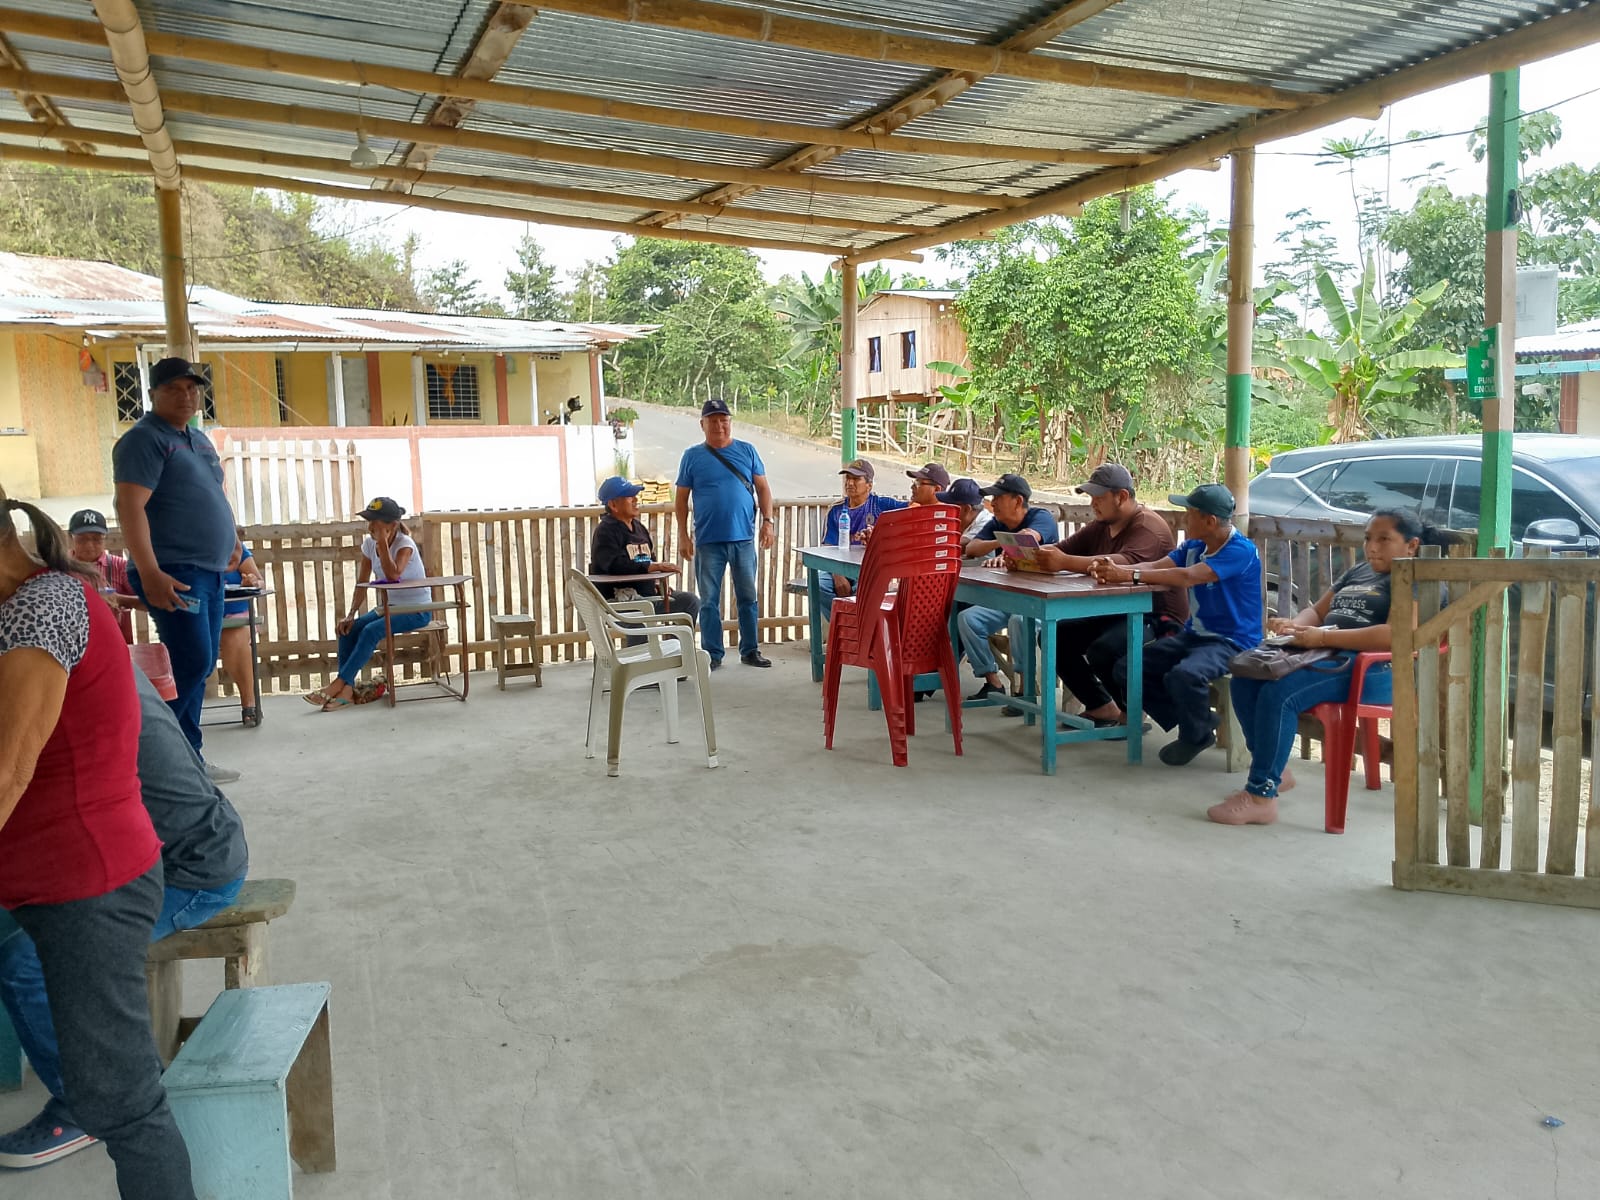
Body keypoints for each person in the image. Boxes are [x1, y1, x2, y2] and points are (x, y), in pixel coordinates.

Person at [0, 484, 197, 1199]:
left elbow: (8, 771)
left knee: (122, 1102)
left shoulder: (44, 608)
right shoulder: (25, 605)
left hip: (88, 884)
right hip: (48, 874)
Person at [0, 667, 248, 1170]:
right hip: (181, 850)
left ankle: (84, 1106)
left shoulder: (43, 678)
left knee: (25, 961)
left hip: (191, 872)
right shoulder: (81, 656)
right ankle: (117, 1074)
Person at [1213, 509, 1429, 826]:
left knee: (1280, 694)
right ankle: (1273, 769)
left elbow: (1393, 635)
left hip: (1374, 668)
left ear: (1411, 545)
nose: (1372, 547)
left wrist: (1323, 637)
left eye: (1384, 539)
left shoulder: (1413, 577)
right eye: (1369, 538)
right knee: (1246, 679)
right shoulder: (1359, 572)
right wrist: (1295, 627)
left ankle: (1261, 796)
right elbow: (1316, 611)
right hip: (1327, 655)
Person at [113, 355, 241, 778]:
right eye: (173, 389)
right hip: (174, 571)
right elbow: (129, 506)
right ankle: (148, 756)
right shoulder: (144, 440)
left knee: (200, 665)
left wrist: (235, 542)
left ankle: (188, 759)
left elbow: (215, 495)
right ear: (152, 394)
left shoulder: (198, 440)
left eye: (191, 388)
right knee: (190, 661)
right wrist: (149, 572)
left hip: (210, 571)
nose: (185, 396)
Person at [1091, 483, 1263, 765]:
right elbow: (1156, 567)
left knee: (1184, 676)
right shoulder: (1194, 546)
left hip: (1233, 641)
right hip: (1194, 635)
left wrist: (1129, 576)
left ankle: (1195, 733)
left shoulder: (1240, 551)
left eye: (1190, 513)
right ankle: (1197, 724)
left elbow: (1188, 577)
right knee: (1127, 668)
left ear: (1210, 521)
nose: (1184, 519)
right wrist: (1118, 571)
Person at [1027, 463, 1186, 726]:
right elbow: (1062, 549)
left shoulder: (1148, 527)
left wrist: (1063, 562)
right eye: (1091, 497)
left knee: (1104, 650)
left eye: (1099, 498)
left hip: (1158, 617)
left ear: (1121, 496)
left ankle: (1132, 712)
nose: (1093, 504)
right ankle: (1101, 706)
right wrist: (1025, 556)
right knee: (1054, 636)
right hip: (1117, 611)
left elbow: (1122, 566)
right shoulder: (1101, 524)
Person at [674, 398, 775, 670]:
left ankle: (750, 650)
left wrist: (768, 522)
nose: (719, 426)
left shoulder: (747, 450)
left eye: (723, 420)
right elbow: (681, 499)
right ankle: (712, 654)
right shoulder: (692, 456)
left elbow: (763, 489)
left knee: (748, 597)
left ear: (730, 422)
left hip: (743, 538)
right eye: (713, 421)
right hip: (708, 541)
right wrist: (683, 535)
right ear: (702, 424)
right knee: (708, 601)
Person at [308, 497, 430, 710]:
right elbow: (362, 583)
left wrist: (382, 542)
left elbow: (393, 575)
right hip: (390, 608)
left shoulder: (405, 545)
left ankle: (338, 684)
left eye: (376, 522)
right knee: (349, 630)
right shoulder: (368, 545)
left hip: (418, 610)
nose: (371, 526)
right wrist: (351, 614)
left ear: (392, 526)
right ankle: (346, 691)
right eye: (369, 521)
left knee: (371, 631)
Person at [956, 474, 1060, 702]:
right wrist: (1001, 541)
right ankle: (992, 683)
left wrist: (1009, 549)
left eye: (999, 498)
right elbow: (972, 548)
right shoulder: (998, 523)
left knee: (1020, 621)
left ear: (1018, 501)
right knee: (967, 619)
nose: (993, 503)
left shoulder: (1040, 517)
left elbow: (1029, 536)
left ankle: (1024, 689)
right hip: (1010, 599)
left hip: (1041, 601)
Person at [589, 475, 699, 621]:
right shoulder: (605, 531)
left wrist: (658, 583)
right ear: (613, 505)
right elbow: (615, 565)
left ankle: (676, 637)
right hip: (622, 602)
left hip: (649, 597)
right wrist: (652, 567)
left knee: (690, 601)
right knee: (639, 618)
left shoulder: (639, 528)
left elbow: (649, 558)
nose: (636, 500)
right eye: (629, 497)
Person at [816, 458, 909, 613]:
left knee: (866, 590)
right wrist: (837, 575)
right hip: (838, 568)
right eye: (848, 478)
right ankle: (841, 624)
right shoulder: (836, 510)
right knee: (818, 585)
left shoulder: (882, 505)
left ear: (869, 485)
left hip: (869, 570)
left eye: (856, 479)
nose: (849, 483)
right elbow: (828, 548)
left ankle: (854, 623)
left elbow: (913, 508)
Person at [66, 507, 138, 643]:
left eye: (96, 539)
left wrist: (117, 598)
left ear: (105, 539)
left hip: (112, 641)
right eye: (82, 540)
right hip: (72, 642)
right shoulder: (60, 569)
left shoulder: (119, 566)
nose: (89, 545)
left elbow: (146, 602)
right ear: (70, 538)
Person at [220, 533, 263, 727]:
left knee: (234, 638)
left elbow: (259, 581)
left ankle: (249, 702)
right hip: (201, 613)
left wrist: (251, 582)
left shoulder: (233, 546)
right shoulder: (186, 549)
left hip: (236, 613)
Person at [934, 477, 993, 550]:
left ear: (966, 509)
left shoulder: (987, 523)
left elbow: (959, 544)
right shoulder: (961, 519)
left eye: (951, 505)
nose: (946, 507)